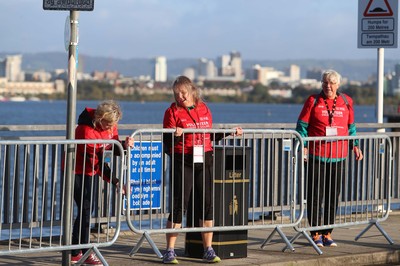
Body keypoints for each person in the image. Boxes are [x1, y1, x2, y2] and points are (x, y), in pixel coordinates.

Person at [162, 76, 242, 264]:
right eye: (176, 93)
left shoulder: (204, 108)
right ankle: (169, 250)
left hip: (205, 159)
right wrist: (177, 136)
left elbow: (210, 136)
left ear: (191, 90)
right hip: (183, 160)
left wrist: (229, 132)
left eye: (183, 92)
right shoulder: (171, 112)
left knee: (207, 205)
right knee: (179, 204)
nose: (180, 96)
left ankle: (208, 249)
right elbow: (167, 144)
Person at [296, 69, 363, 248]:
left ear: (338, 84)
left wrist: (355, 145)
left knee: (333, 196)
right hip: (317, 155)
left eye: (332, 83)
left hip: (339, 157)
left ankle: (328, 233)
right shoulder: (313, 101)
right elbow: (301, 126)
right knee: (315, 195)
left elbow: (352, 127)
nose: (328, 86)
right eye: (325, 83)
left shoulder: (347, 101)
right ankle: (316, 232)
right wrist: (302, 146)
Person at [71, 100, 134, 265]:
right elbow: (98, 162)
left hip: (92, 169)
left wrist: (124, 146)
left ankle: (76, 251)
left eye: (113, 124)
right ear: (99, 118)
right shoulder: (85, 131)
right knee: (85, 208)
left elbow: (111, 147)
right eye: (108, 124)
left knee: (87, 208)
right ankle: (83, 252)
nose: (110, 128)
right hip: (77, 170)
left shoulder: (111, 126)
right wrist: (116, 182)